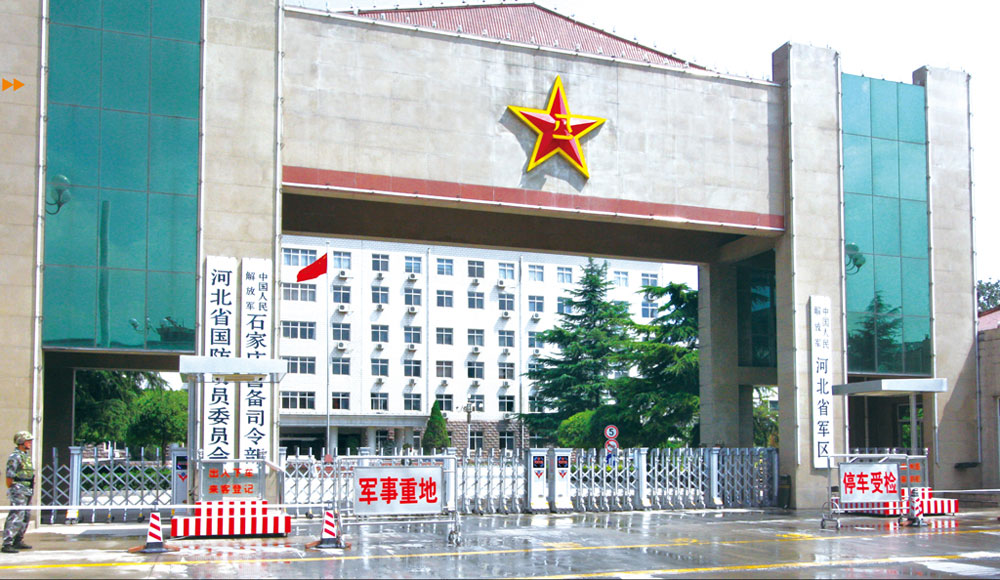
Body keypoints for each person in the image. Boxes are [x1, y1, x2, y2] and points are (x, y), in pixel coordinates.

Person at [2, 431, 34, 554]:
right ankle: (7, 543)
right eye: (28, 441)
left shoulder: (25, 456)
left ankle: (18, 540)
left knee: (25, 516)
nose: (30, 443)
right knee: (16, 515)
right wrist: (14, 489)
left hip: (27, 489)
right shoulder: (15, 457)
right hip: (18, 489)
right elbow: (9, 477)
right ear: (21, 441)